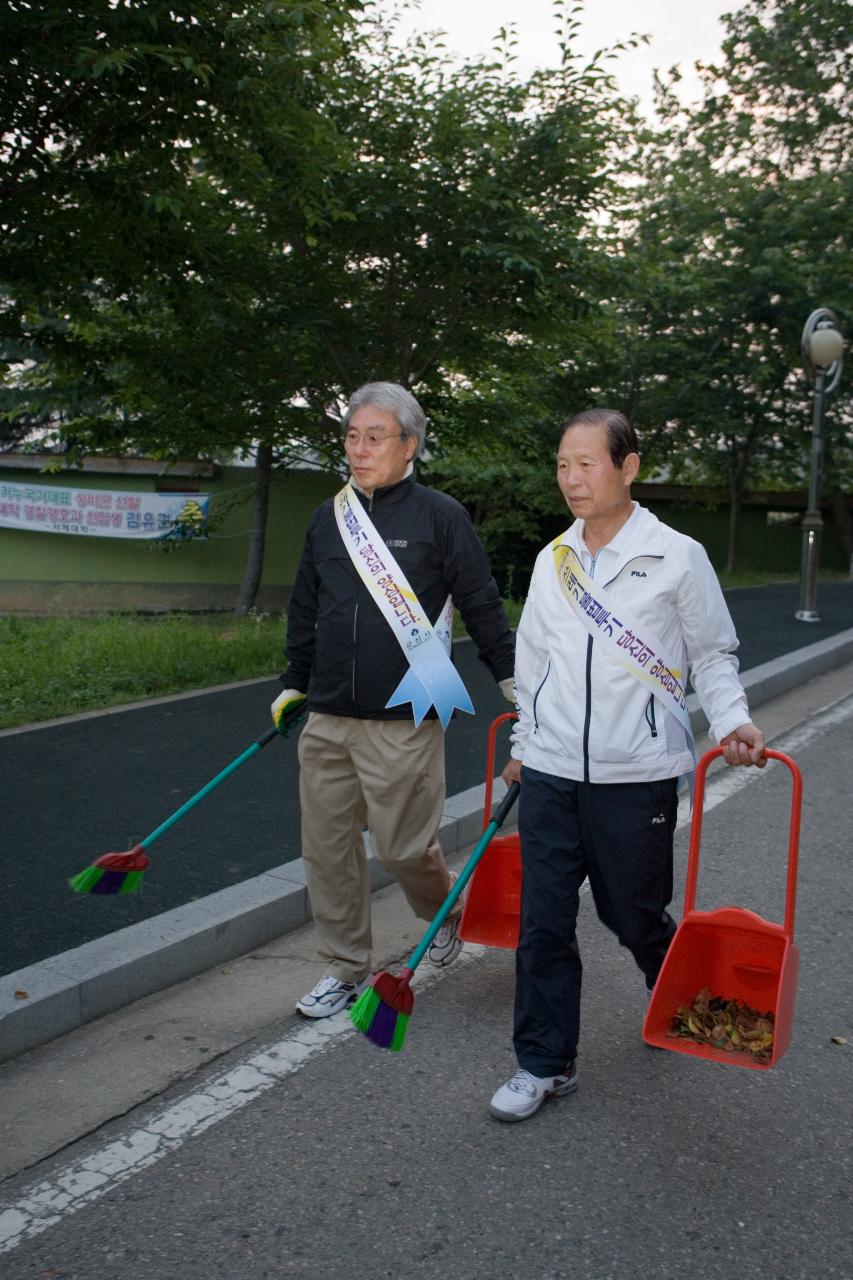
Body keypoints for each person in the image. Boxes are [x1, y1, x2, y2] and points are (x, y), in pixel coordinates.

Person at [489, 408, 766, 1122]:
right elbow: (534, 664)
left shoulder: (676, 555)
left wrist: (731, 718)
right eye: (561, 465)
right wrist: (524, 752)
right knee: (542, 923)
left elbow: (710, 655)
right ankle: (543, 1062)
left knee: (632, 913)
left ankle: (671, 987)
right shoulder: (553, 560)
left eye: (585, 464)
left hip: (635, 775)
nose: (571, 479)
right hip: (551, 773)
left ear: (627, 466)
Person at [273, 381, 515, 1019]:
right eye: (351, 437)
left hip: (405, 716)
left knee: (405, 848)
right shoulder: (329, 517)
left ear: (409, 445)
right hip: (327, 715)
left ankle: (447, 912)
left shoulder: (440, 516)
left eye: (374, 437)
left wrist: (514, 684)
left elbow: (482, 603)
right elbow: (305, 605)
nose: (358, 449)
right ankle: (345, 965)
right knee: (326, 848)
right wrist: (293, 681)